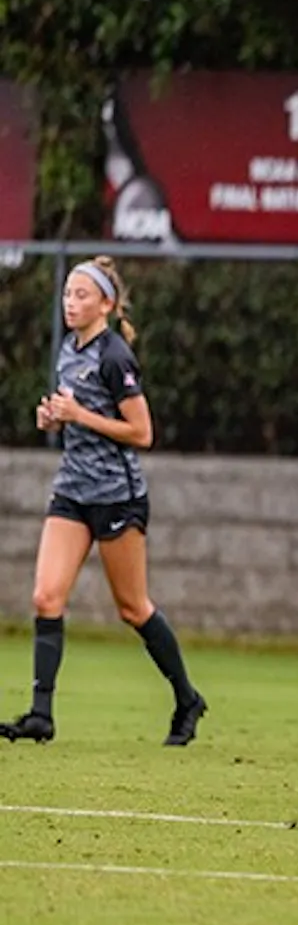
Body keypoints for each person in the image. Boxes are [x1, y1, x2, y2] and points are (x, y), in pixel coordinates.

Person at [1, 257, 207, 746]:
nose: (70, 303)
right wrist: (54, 418)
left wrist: (82, 415)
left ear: (106, 305)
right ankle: (40, 715)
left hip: (117, 497)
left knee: (133, 608)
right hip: (72, 489)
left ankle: (186, 698)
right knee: (46, 597)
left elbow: (142, 432)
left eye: (81, 295)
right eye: (67, 294)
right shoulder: (67, 350)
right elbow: (73, 412)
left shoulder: (115, 357)